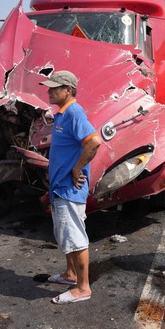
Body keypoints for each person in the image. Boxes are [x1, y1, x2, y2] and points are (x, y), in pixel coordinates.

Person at [40, 71, 103, 304]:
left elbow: (94, 142)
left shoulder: (74, 112)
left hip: (69, 189)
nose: (49, 91)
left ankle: (83, 288)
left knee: (75, 237)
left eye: (54, 88)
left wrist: (77, 169)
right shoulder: (62, 114)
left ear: (68, 90)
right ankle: (70, 274)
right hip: (60, 189)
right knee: (65, 234)